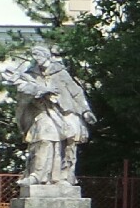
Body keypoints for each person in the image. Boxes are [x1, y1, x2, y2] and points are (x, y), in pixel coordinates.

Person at [11, 46, 95, 190]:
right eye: (34, 55)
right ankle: (37, 175)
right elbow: (23, 90)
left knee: (69, 141)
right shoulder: (31, 74)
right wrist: (40, 91)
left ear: (46, 55)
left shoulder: (60, 73)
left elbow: (76, 92)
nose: (36, 58)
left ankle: (64, 176)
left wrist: (85, 110)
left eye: (38, 54)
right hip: (43, 110)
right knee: (44, 138)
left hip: (65, 111)